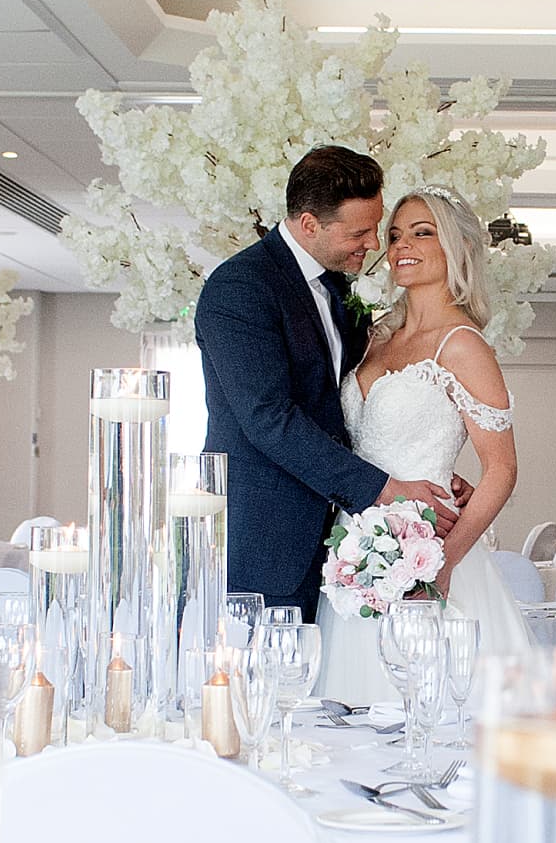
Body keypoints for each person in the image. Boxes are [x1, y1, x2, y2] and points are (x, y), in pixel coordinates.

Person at [194, 146, 459, 620]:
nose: (375, 244)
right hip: (262, 545)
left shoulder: (332, 285)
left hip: (337, 543)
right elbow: (269, 419)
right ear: (310, 224)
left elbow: (342, 406)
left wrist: (417, 454)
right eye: (360, 232)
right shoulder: (240, 289)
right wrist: (382, 487)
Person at [317, 185, 530, 705]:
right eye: (393, 235)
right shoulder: (374, 336)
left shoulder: (463, 346)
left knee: (425, 706)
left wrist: (444, 563)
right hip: (351, 551)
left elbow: (501, 469)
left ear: (453, 246)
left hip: (426, 551)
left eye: (421, 232)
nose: (401, 245)